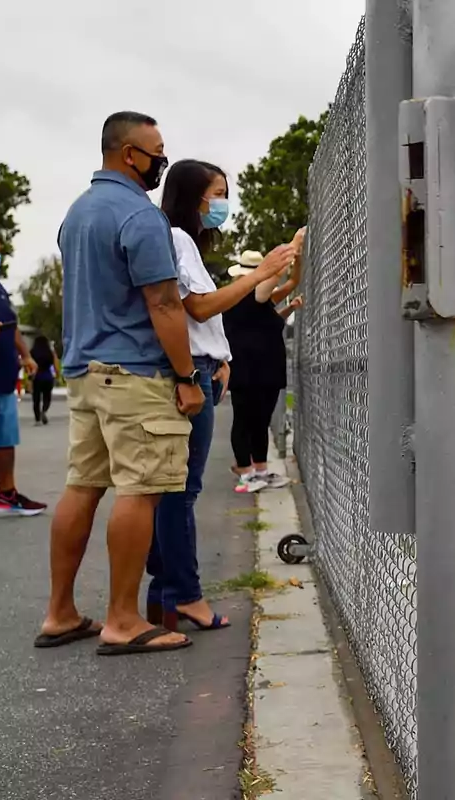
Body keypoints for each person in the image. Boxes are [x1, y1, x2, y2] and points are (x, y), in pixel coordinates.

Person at [36, 111, 206, 657]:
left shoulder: (78, 213)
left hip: (86, 370)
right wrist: (186, 377)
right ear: (129, 154)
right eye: (156, 151)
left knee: (83, 485)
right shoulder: (139, 215)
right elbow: (163, 302)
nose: (161, 159)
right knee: (142, 490)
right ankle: (123, 619)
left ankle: (60, 612)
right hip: (134, 373)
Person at [146, 159, 297, 632]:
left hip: (208, 366)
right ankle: (181, 593)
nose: (222, 203)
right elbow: (197, 305)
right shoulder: (176, 238)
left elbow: (201, 316)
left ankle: (164, 594)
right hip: (191, 372)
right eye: (217, 193)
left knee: (176, 489)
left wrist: (221, 355)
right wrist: (261, 272)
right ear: (194, 196)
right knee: (180, 490)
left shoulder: (184, 241)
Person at [223, 237, 303, 494]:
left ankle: (259, 469)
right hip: (247, 368)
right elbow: (272, 280)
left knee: (261, 421)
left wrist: (298, 259)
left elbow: (292, 282)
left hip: (266, 368)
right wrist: (292, 245)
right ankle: (245, 472)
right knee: (245, 419)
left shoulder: (261, 301)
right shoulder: (245, 296)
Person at [0, 231, 46, 516]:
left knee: (3, 441)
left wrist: (25, 355)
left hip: (1, 381)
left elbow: (11, 325)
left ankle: (6, 495)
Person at [30, 335, 60, 426]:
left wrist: (29, 377)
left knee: (36, 399)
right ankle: (44, 410)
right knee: (47, 397)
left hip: (37, 377)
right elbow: (56, 364)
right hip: (47, 377)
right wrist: (57, 374)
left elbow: (29, 365)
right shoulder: (50, 352)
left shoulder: (32, 352)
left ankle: (37, 419)